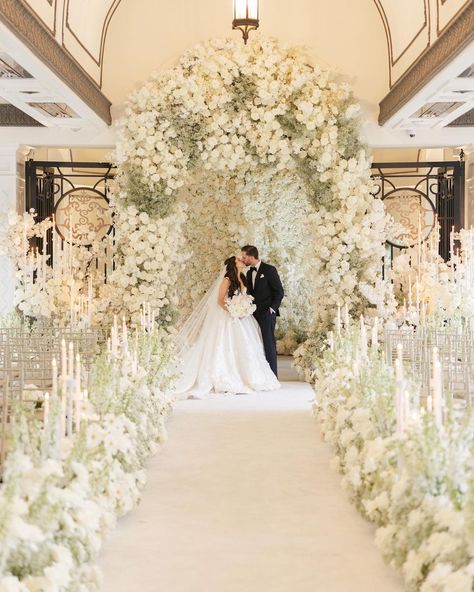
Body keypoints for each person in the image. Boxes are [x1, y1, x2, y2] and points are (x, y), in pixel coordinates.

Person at [174, 255, 280, 399]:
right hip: (228, 317)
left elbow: (245, 296)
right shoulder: (227, 279)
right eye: (239, 259)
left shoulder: (243, 277)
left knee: (248, 345)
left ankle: (249, 376)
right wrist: (233, 311)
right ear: (233, 264)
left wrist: (244, 309)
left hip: (243, 318)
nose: (242, 260)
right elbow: (220, 301)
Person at [241, 245, 284, 377]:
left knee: (268, 343)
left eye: (244, 257)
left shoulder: (269, 270)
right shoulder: (249, 273)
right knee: (256, 343)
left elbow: (279, 291)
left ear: (251, 256)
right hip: (253, 315)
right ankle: (261, 375)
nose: (243, 259)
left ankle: (272, 375)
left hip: (267, 313)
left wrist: (272, 309)